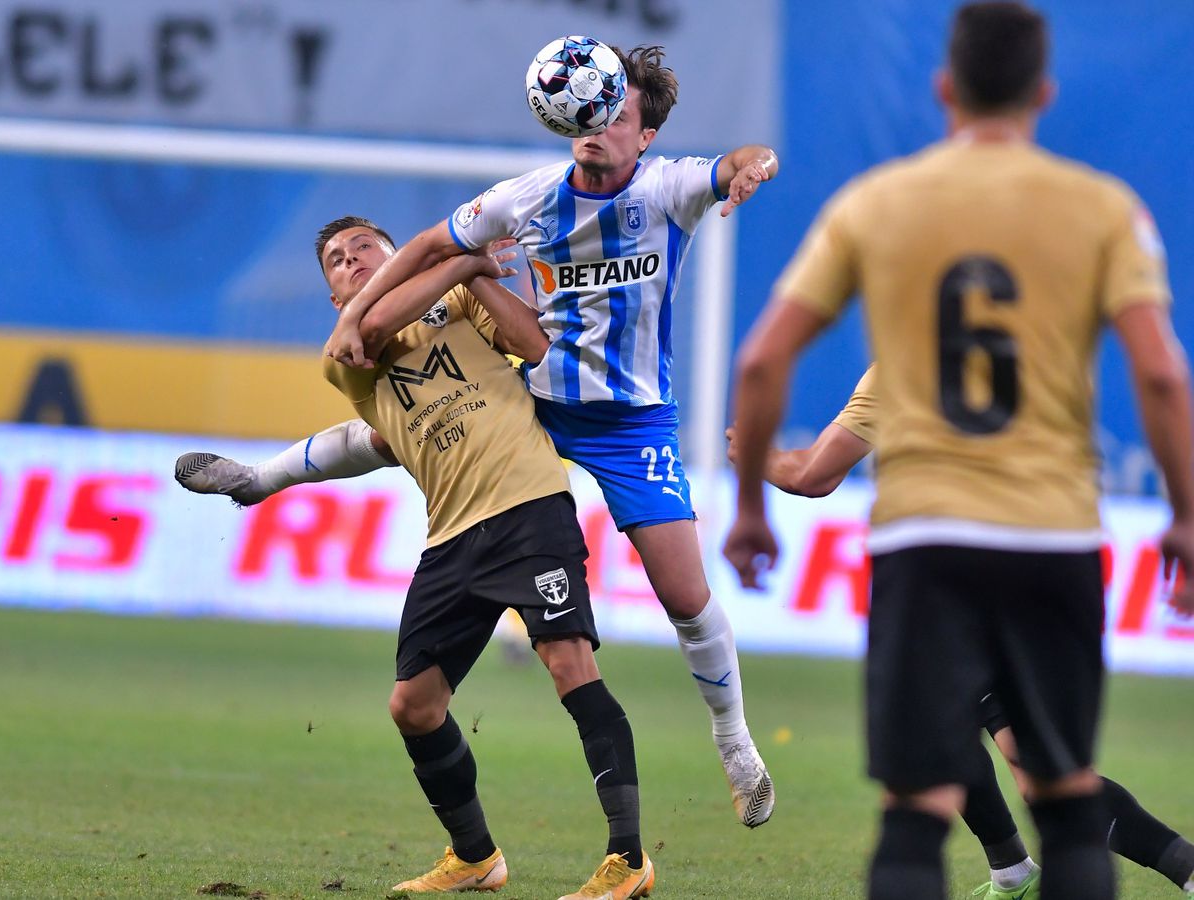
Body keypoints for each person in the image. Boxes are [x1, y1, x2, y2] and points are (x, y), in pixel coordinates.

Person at [724, 2, 1194, 898]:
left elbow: (762, 358)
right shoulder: (1103, 210)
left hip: (927, 545)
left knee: (915, 808)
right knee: (1063, 795)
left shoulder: (878, 204)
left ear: (944, 87)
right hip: (1053, 540)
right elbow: (1164, 378)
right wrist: (1186, 517)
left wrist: (750, 502)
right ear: (1043, 94)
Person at [319, 44, 780, 828]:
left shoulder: (670, 190)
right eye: (590, 111)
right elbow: (434, 245)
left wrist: (752, 167)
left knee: (685, 595)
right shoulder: (527, 198)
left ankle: (733, 738)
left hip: (631, 421)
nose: (597, 125)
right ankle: (264, 480)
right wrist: (358, 315)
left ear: (646, 135)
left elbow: (744, 153)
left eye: (617, 115)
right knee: (428, 420)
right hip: (534, 397)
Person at [181, 216, 655, 899]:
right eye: (337, 262)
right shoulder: (344, 350)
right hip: (452, 537)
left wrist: (476, 279)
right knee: (414, 705)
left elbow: (531, 343)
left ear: (399, 252)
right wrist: (465, 263)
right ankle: (476, 858)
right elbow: (367, 339)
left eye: (364, 247)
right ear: (333, 297)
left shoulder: (461, 299)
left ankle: (628, 858)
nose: (350, 261)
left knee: (569, 665)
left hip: (528, 504)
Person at [727, 367, 1194, 899]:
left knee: (1024, 768)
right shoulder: (1036, 340)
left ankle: (1177, 866)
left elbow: (811, 475)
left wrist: (756, 453)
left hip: (966, 577)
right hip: (1049, 560)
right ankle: (1013, 873)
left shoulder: (902, 365)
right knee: (959, 724)